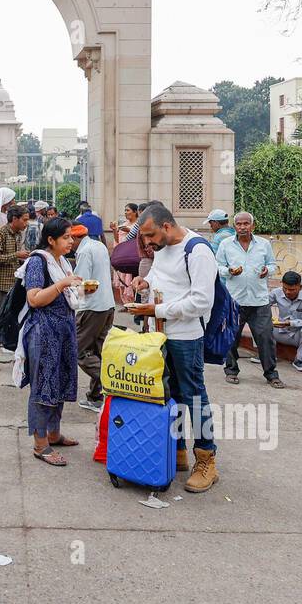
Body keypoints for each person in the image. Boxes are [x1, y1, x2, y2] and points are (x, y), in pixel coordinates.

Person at [125, 202, 220, 493]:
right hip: (159, 333)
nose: (149, 244)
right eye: (144, 239)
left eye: (151, 236)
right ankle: (177, 449)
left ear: (166, 226)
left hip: (186, 336)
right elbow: (159, 278)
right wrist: (144, 283)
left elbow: (202, 302)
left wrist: (158, 310)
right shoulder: (163, 248)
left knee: (193, 395)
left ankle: (206, 459)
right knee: (169, 393)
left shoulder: (198, 250)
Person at [15, 216, 82, 466]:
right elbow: (34, 299)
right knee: (43, 385)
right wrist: (63, 283)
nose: (71, 241)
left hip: (63, 330)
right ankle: (40, 443)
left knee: (61, 380)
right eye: (66, 237)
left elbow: (67, 293)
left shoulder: (62, 261)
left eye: (71, 237)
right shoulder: (37, 261)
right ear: (51, 240)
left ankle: (54, 433)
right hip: (44, 332)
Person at [215, 211, 282, 388]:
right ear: (234, 226)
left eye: (246, 224)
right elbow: (218, 265)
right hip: (235, 300)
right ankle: (231, 371)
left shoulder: (264, 244)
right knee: (230, 337)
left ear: (252, 226)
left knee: (265, 337)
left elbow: (273, 265)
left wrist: (268, 271)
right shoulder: (225, 244)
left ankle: (271, 374)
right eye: (239, 224)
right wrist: (229, 271)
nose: (243, 227)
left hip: (259, 300)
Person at [73, 221, 115, 410]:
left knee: (80, 352)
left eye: (68, 239)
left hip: (92, 308)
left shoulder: (84, 251)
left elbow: (84, 285)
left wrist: (68, 295)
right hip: (107, 305)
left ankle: (111, 383)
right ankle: (96, 397)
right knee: (99, 352)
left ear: (75, 237)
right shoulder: (98, 245)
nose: (67, 244)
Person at [0, 205, 29, 371]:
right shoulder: (0, 233)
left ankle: (15, 354)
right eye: (24, 219)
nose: (26, 223)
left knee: (13, 320)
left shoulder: (17, 235)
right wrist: (16, 255)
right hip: (0, 284)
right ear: (14, 219)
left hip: (13, 282)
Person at [270, 270, 302, 373]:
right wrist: (269, 319)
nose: (288, 292)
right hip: (280, 332)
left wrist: (291, 323)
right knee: (258, 321)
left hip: (300, 335)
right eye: (285, 288)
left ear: (300, 287)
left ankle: (300, 360)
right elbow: (262, 306)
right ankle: (267, 354)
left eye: (292, 289)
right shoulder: (276, 292)